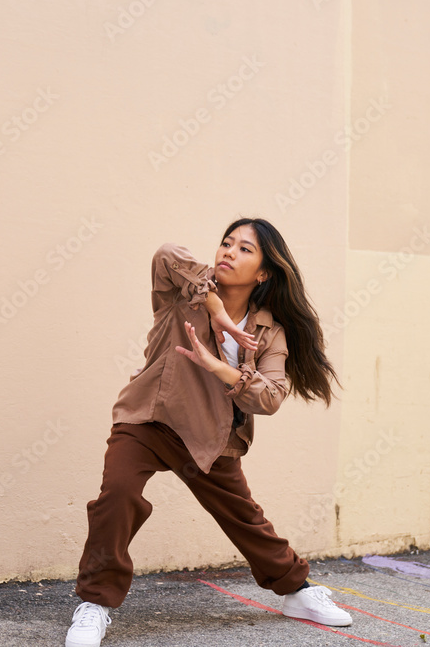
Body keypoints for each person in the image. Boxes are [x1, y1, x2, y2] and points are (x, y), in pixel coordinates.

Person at [65, 218, 352, 647]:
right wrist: (216, 310)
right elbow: (165, 254)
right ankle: (95, 604)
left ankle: (297, 592)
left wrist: (220, 367)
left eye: (244, 249)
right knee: (117, 495)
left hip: (212, 436)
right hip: (149, 419)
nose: (228, 253)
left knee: (245, 519)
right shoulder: (186, 296)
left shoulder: (270, 331)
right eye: (226, 243)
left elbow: (270, 397)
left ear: (263, 272)